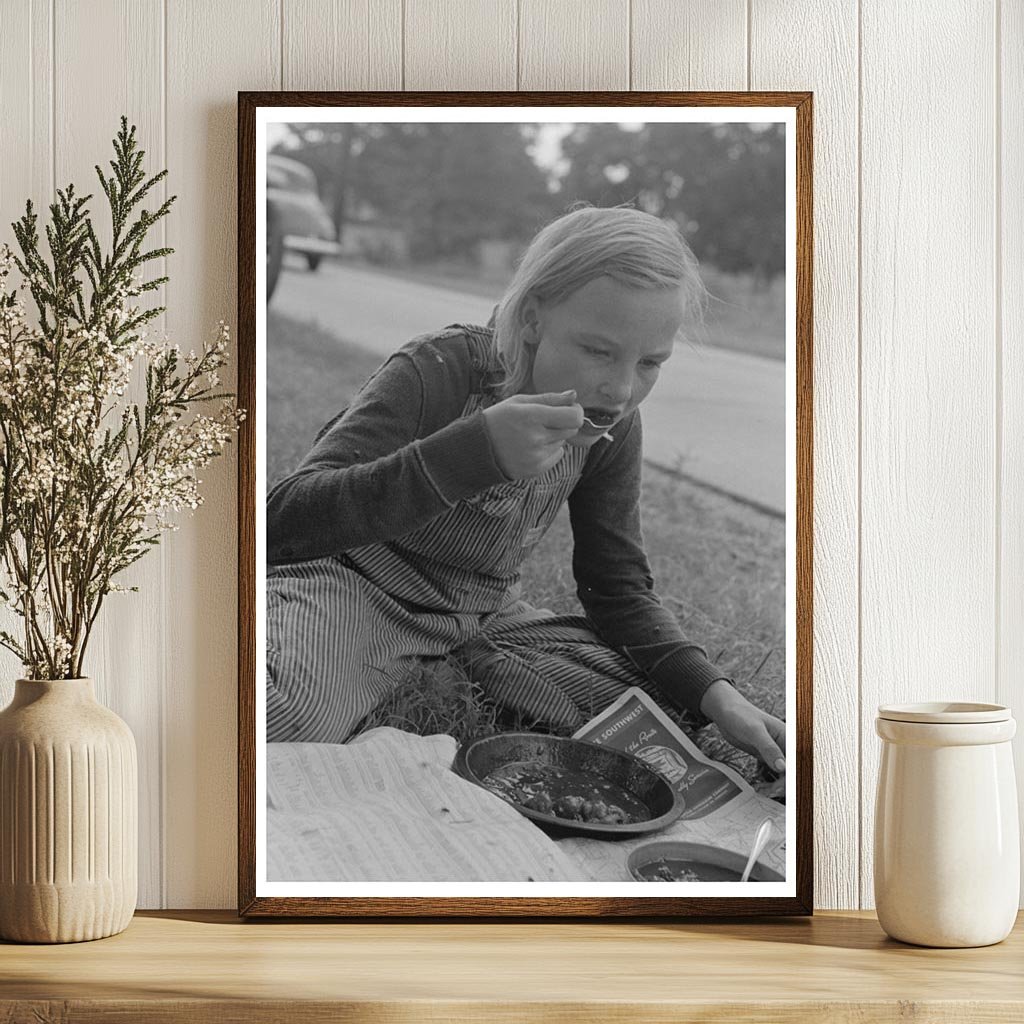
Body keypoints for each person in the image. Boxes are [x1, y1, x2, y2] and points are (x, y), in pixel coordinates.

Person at [265, 204, 786, 773]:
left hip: (484, 615)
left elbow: (617, 589)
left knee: (671, 718)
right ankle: (398, 661)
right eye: (599, 351)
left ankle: (460, 662)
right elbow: (282, 522)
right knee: (279, 713)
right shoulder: (440, 368)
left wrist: (717, 693)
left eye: (650, 363)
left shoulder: (616, 425)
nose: (620, 387)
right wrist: (472, 452)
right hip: (356, 589)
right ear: (534, 319)